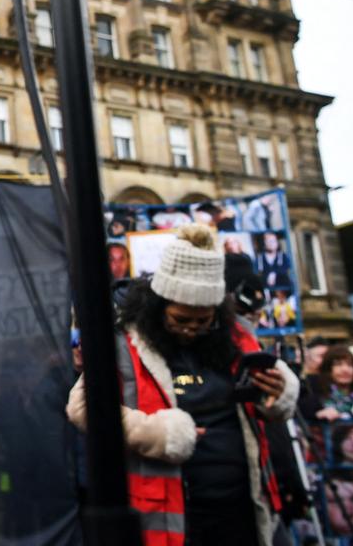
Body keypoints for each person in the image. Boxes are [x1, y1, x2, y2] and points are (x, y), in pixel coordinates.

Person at [67, 224, 300, 546]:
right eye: (181, 320)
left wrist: (278, 390)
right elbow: (81, 407)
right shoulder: (124, 342)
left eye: (203, 321)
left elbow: (265, 394)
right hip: (169, 515)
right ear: (159, 306)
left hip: (241, 510)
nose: (192, 329)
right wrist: (157, 433)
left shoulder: (235, 336)